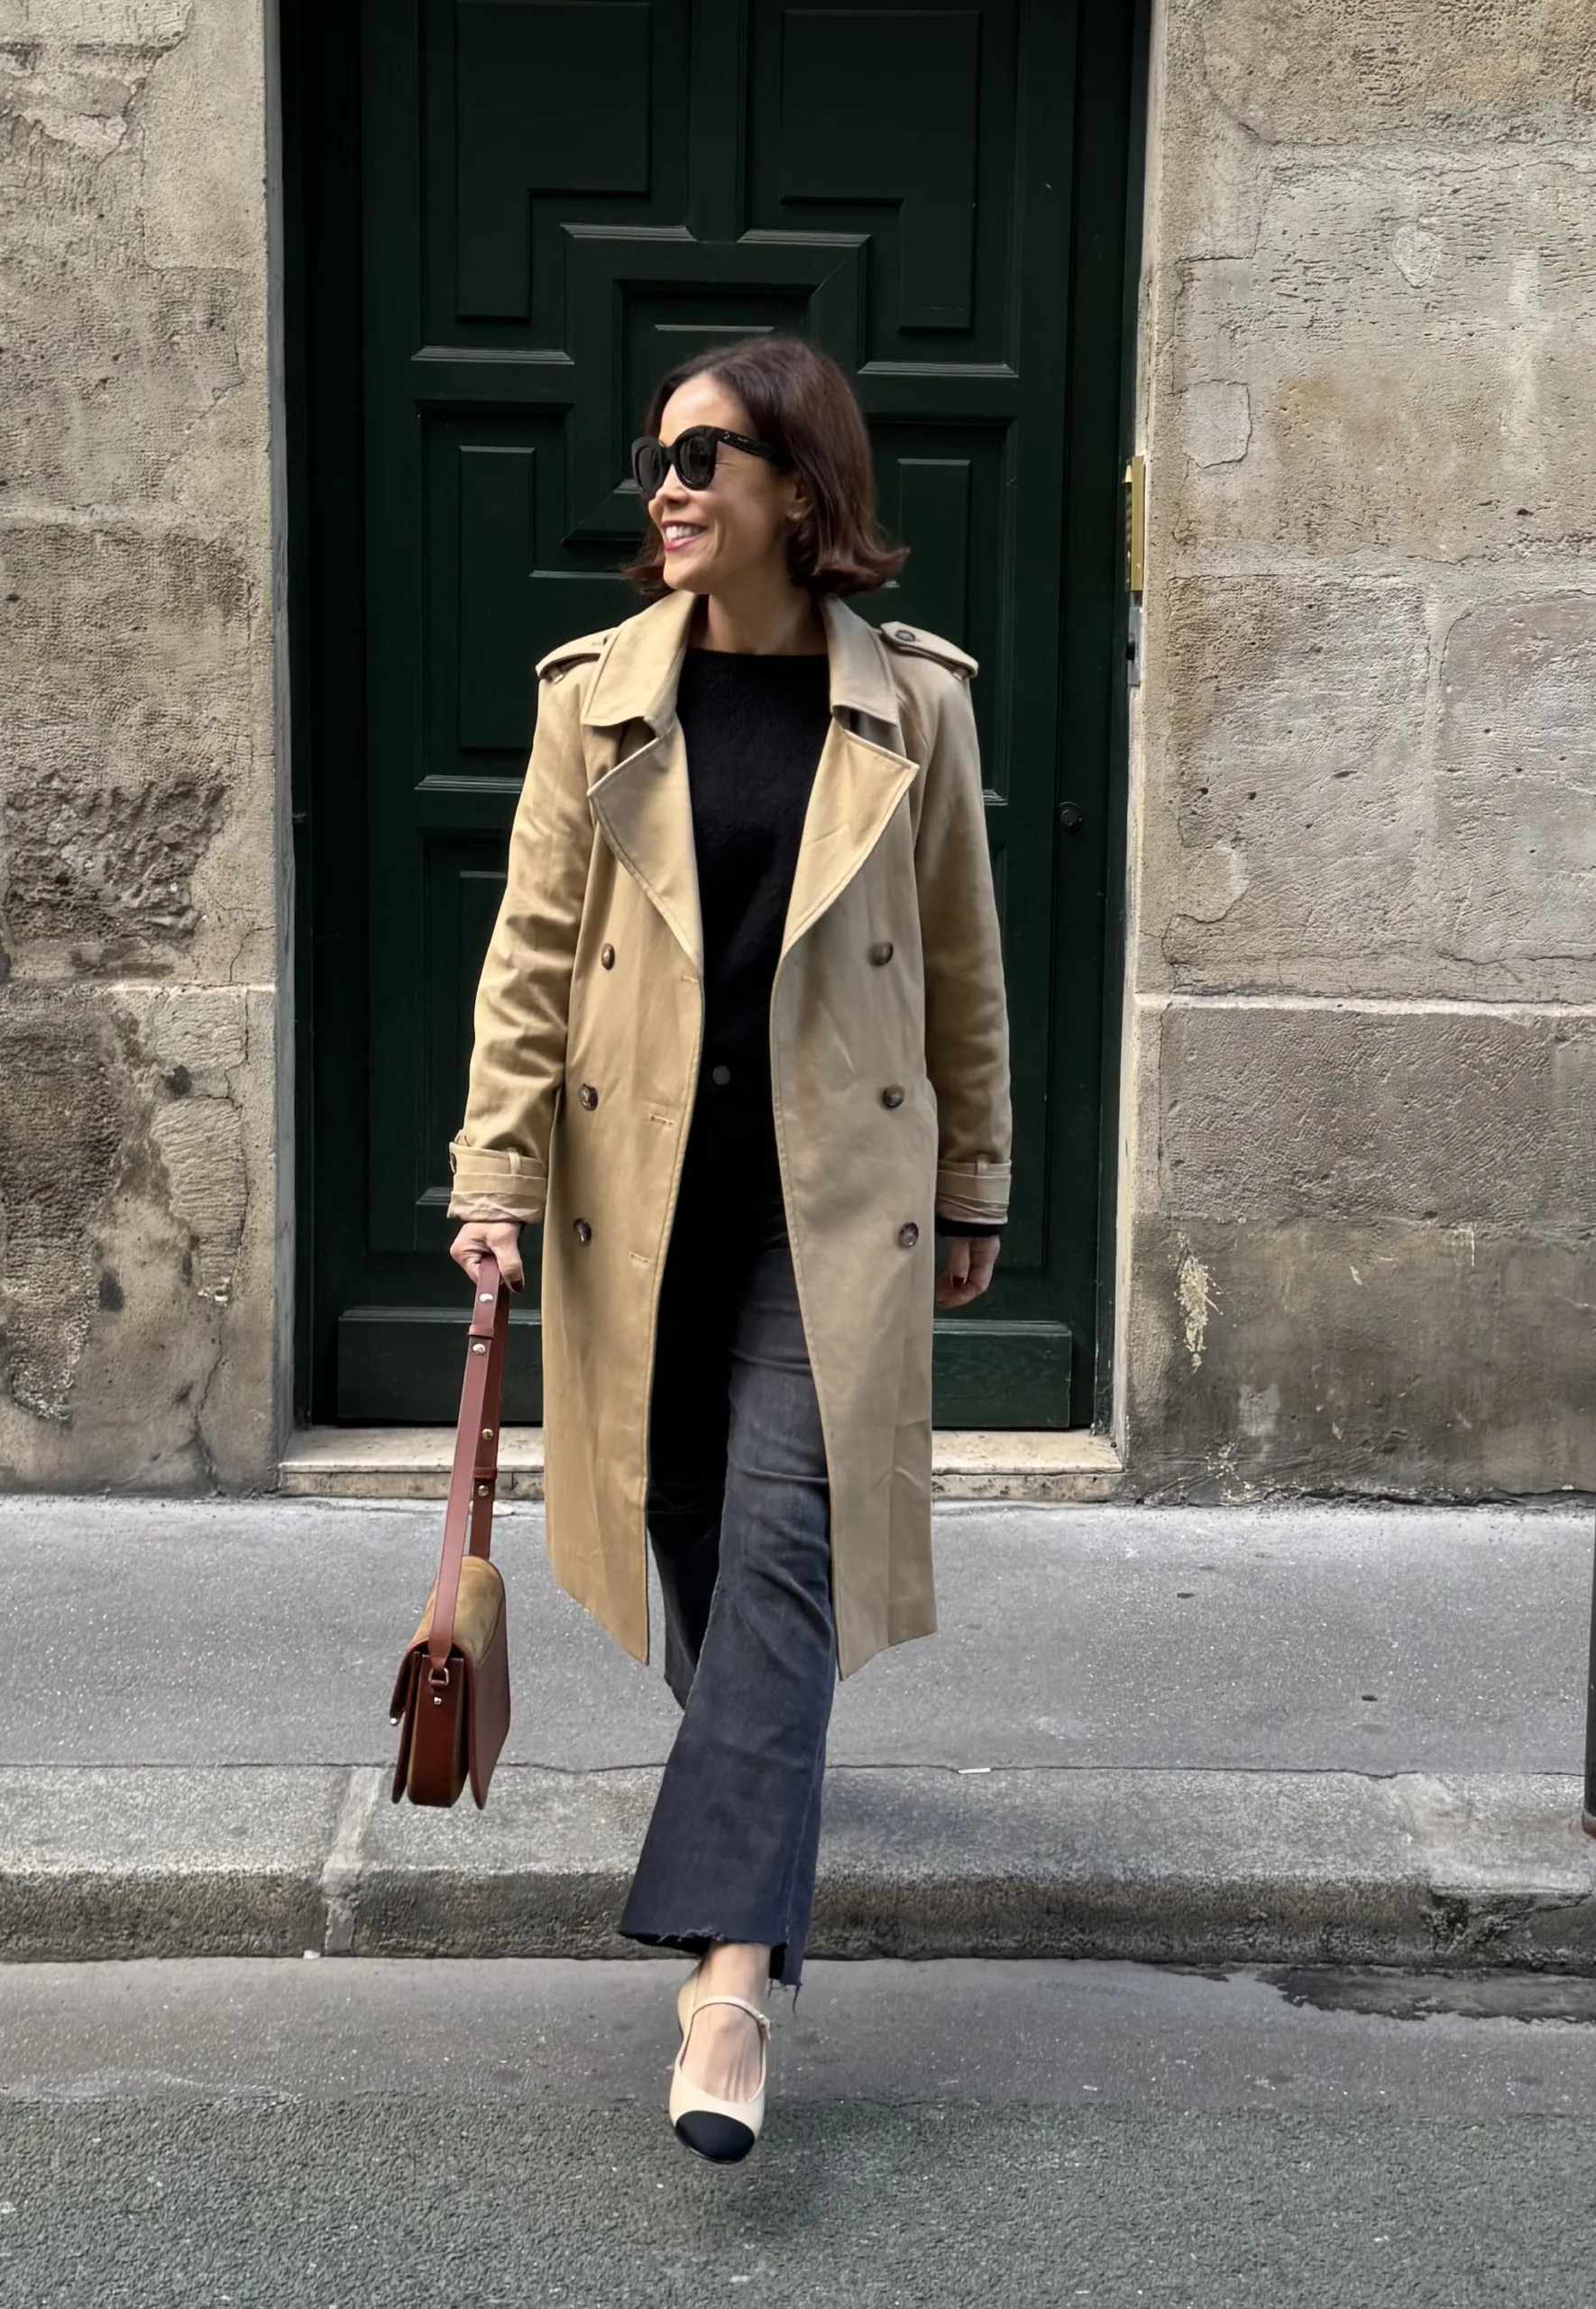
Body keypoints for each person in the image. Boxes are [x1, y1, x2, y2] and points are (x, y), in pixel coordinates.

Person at [446, 333, 1012, 2163]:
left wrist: (975, 1179)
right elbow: (533, 952)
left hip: (821, 1201)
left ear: (800, 487)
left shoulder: (912, 704)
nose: (669, 486)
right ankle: (760, 1768)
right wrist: (491, 1174)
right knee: (686, 1518)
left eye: (706, 456)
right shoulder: (597, 696)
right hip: (639, 1192)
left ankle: (728, 1989)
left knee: (782, 1537)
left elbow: (962, 959)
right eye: (660, 457)